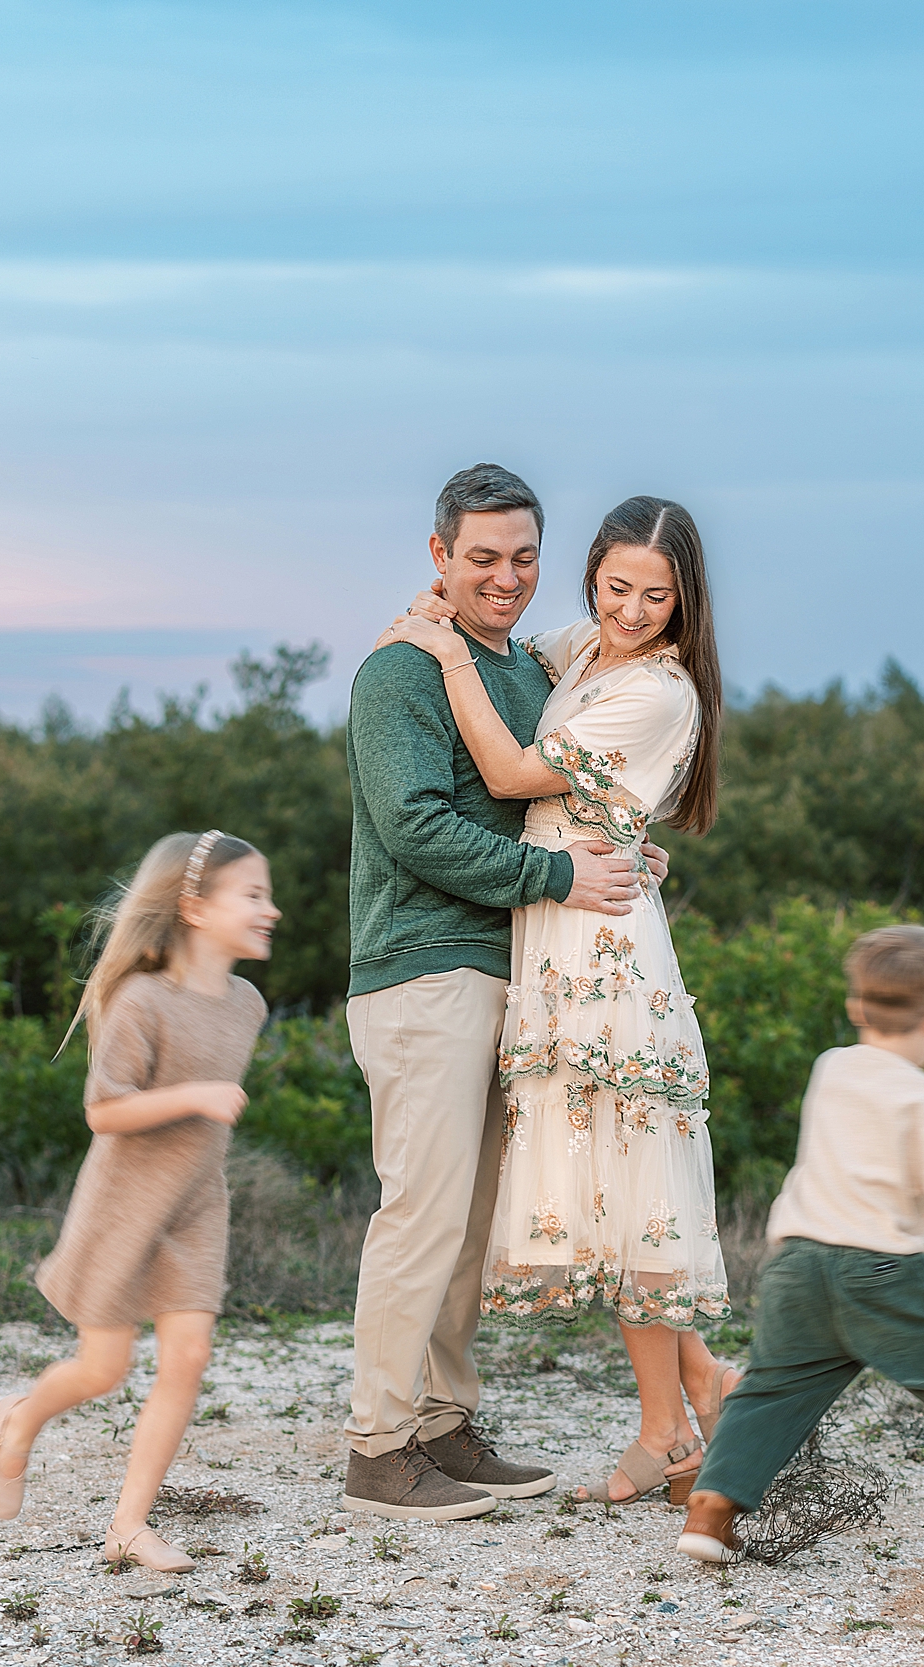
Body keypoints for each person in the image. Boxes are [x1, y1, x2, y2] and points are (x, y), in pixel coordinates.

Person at [377, 494, 741, 1507]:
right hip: (559, 920)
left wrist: (443, 660)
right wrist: (437, 609)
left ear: (686, 601)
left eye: (655, 595)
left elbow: (506, 766)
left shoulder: (658, 693)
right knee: (613, 1186)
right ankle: (689, 1405)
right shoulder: (583, 648)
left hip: (597, 938)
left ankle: (682, 1411)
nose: (630, 609)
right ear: (592, 577)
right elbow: (489, 628)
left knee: (629, 1185)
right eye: (616, 585)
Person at [339, 464, 666, 1522]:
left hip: (510, 975)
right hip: (423, 972)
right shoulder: (398, 672)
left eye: (523, 556)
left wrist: (618, 852)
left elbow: (556, 798)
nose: (506, 576)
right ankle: (378, 1448)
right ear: (438, 556)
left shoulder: (523, 669)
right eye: (481, 557)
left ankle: (440, 1420)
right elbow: (418, 829)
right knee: (421, 1216)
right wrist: (559, 876)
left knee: (473, 1227)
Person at [672, 925, 924, 1566]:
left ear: (856, 1008)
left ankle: (712, 1510)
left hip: (798, 1267)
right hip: (878, 1271)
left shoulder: (830, 1069)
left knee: (771, 1391)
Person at [0, 829, 279, 1572]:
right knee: (103, 1368)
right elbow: (104, 1111)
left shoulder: (247, 1003)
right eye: (253, 895)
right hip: (124, 1205)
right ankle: (17, 1419)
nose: (271, 911)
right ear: (194, 908)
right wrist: (196, 1095)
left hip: (197, 1205)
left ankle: (129, 1524)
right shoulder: (143, 999)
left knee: (189, 1355)